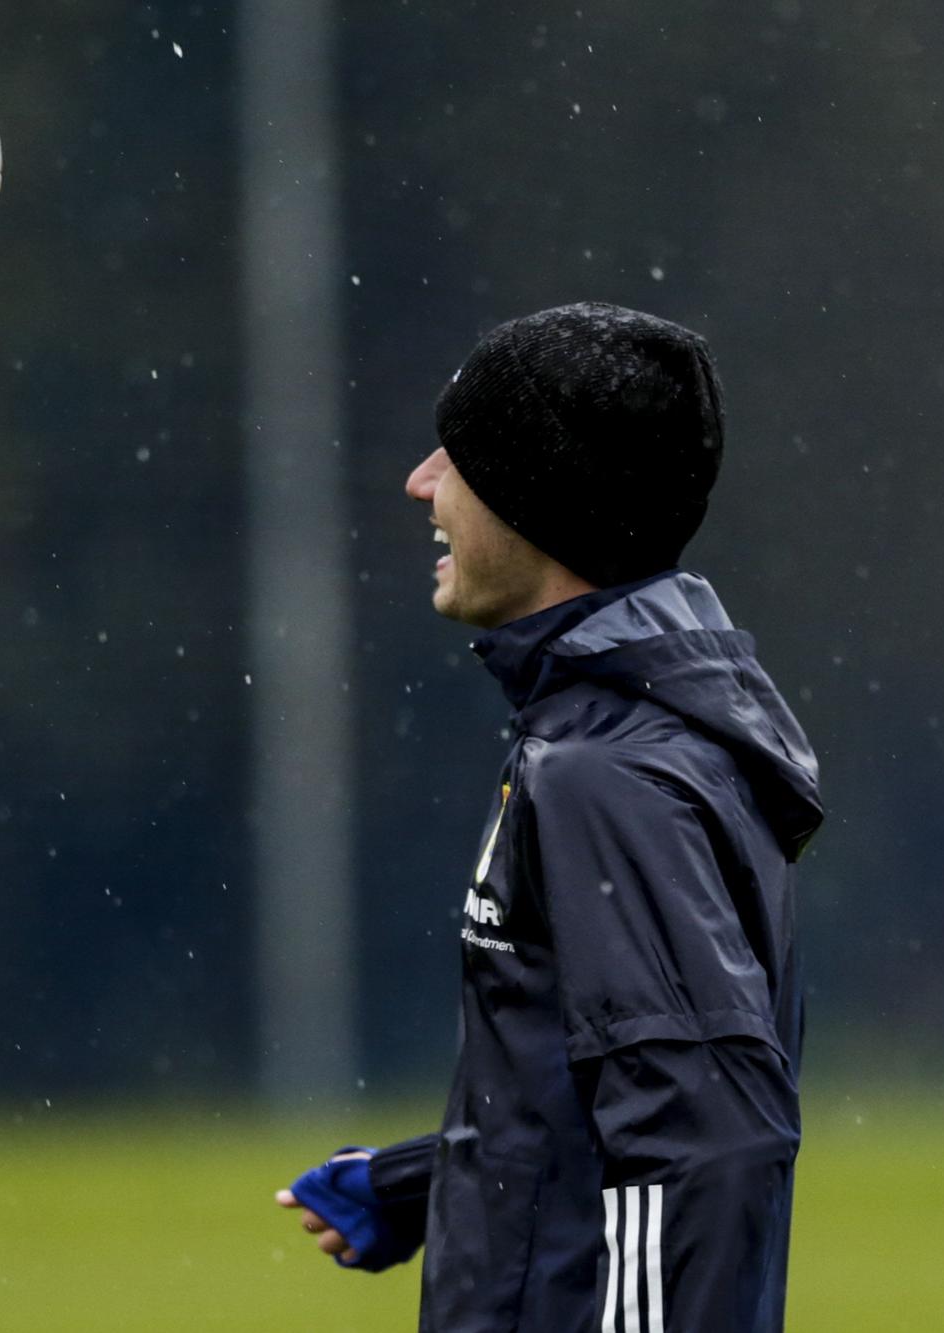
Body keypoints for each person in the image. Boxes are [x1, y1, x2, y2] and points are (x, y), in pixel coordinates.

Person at [275, 303, 823, 1332]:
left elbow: (709, 1142)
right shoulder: (630, 732)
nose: (421, 481)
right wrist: (433, 1180)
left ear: (539, 505)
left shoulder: (604, 774)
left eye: (460, 457)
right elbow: (610, 1096)